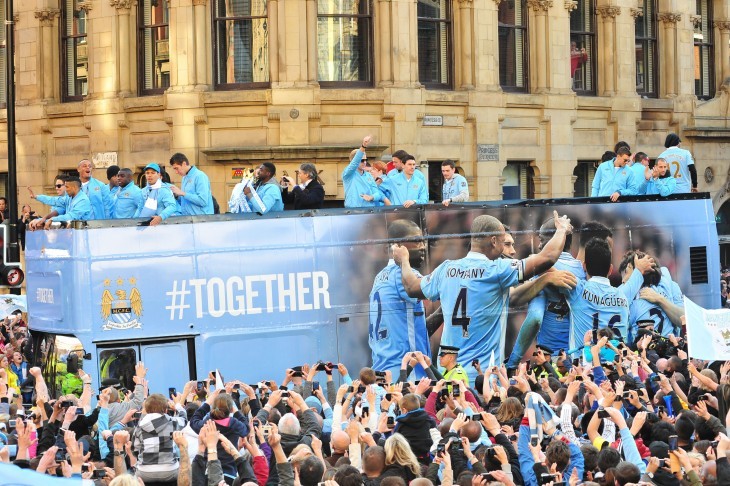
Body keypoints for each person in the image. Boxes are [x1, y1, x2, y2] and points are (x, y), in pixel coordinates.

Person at [394, 211, 572, 381]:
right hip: (481, 376)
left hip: (446, 374)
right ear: (494, 241)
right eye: (504, 242)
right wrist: (562, 229)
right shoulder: (495, 271)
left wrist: (403, 260)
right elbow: (547, 257)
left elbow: (411, 287)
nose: (506, 248)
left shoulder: (446, 268)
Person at [369, 220, 430, 378]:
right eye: (416, 241)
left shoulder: (379, 277)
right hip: (406, 371)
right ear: (397, 246)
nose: (422, 246)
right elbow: (432, 289)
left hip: (383, 368)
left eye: (423, 241)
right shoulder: (401, 274)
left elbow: (416, 328)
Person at [343, 136, 389, 208]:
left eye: (366, 160)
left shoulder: (368, 175)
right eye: (362, 160)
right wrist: (363, 146)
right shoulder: (348, 174)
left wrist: (372, 197)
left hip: (369, 210)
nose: (364, 162)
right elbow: (354, 163)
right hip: (352, 211)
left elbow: (377, 193)